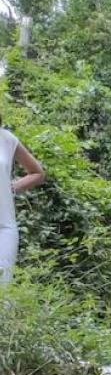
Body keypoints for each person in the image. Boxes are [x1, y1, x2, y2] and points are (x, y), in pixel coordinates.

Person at [0, 120, 47, 283]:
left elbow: (37, 173)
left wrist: (9, 188)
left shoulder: (6, 138)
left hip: (4, 229)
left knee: (3, 293)